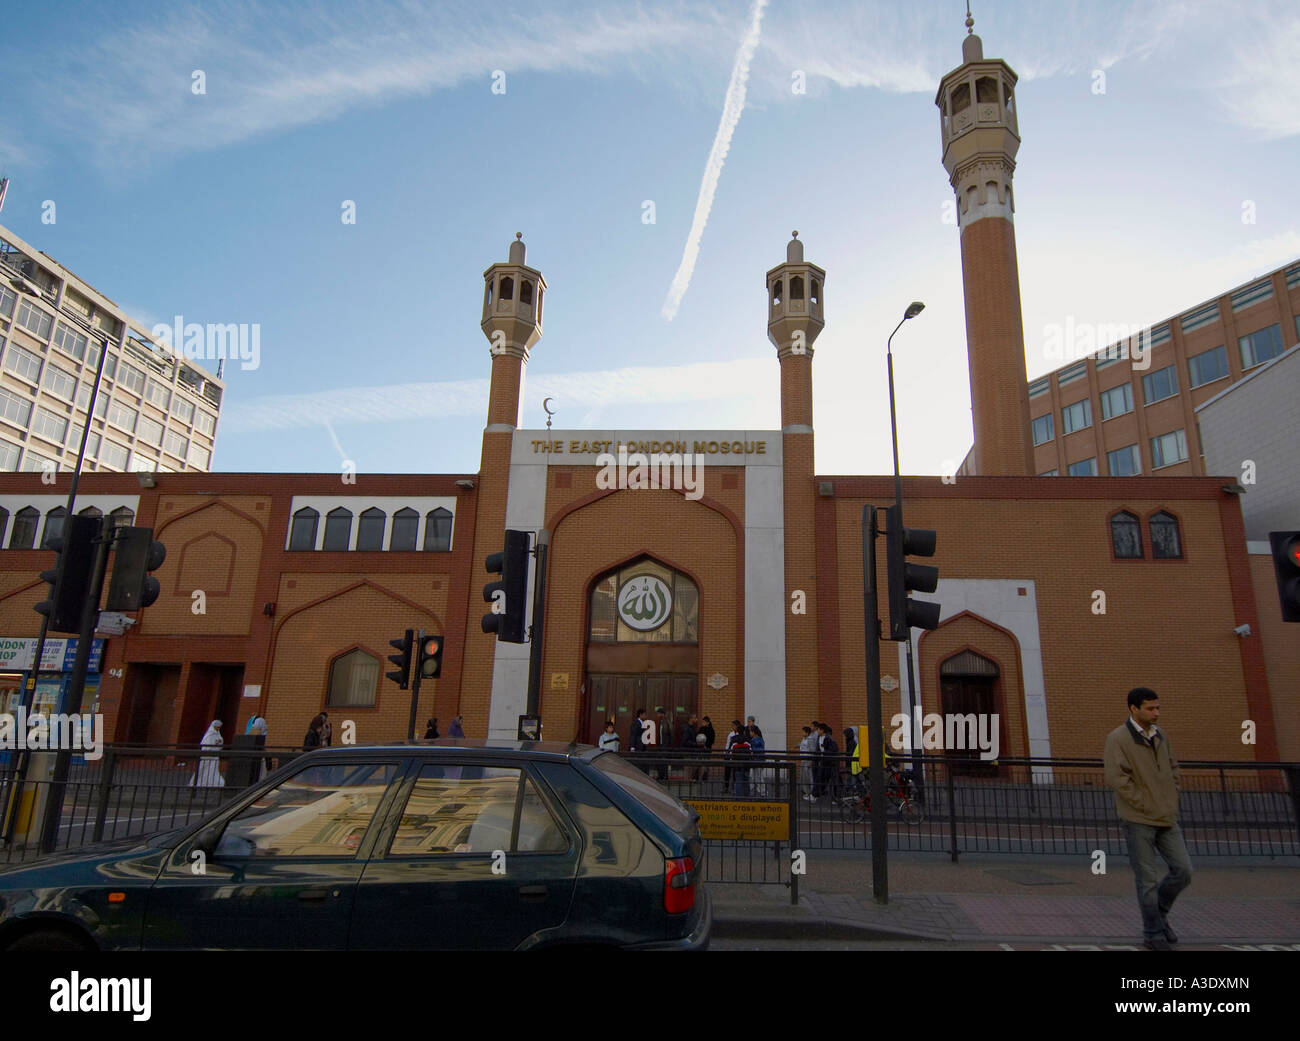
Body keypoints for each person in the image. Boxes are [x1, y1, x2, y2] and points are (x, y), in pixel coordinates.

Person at [1105, 687, 1192, 951]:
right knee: (1147, 879)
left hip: (1166, 817)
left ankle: (1160, 914)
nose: (1156, 713)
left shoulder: (1161, 736)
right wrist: (1143, 804)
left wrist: (1171, 795)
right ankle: (1152, 932)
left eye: (1158, 708)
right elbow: (1118, 779)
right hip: (1138, 819)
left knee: (1184, 870)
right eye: (1151, 708)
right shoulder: (1118, 739)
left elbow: (1173, 768)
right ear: (1134, 709)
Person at [191, 720, 225, 788]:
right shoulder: (209, 734)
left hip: (214, 755)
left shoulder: (218, 734)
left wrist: (218, 743)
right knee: (201, 769)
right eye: (216, 727)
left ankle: (212, 782)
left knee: (213, 769)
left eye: (218, 727)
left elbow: (220, 742)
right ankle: (196, 782)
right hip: (207, 755)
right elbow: (206, 744)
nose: (217, 728)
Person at [245, 712, 269, 780]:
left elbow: (254, 732)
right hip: (258, 750)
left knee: (259, 768)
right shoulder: (262, 726)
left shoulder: (259, 724)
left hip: (257, 750)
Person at [799, 725, 818, 801]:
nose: (802, 733)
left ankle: (811, 792)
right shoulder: (804, 739)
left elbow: (812, 750)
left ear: (807, 732)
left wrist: (811, 760)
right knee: (804, 776)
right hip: (803, 759)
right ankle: (806, 791)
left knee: (809, 776)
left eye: (803, 732)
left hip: (808, 760)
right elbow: (802, 746)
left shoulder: (810, 740)